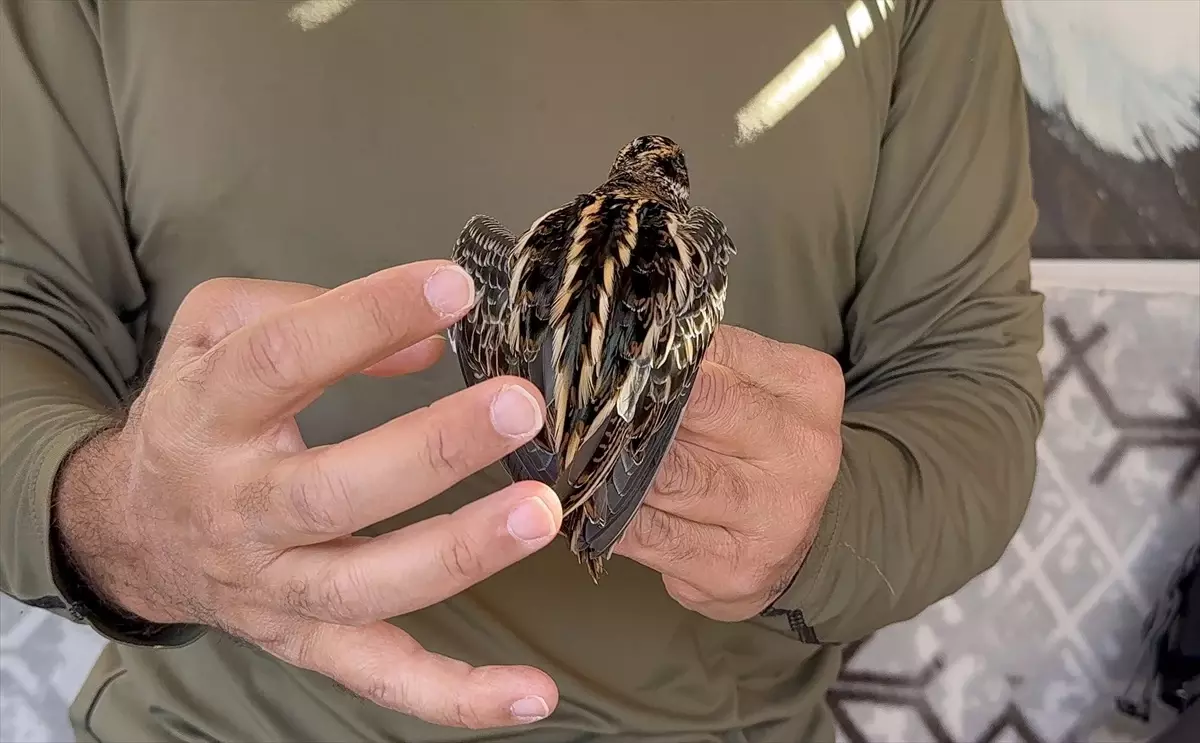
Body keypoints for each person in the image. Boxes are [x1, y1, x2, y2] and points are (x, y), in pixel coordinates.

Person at [0, 1, 1045, 741]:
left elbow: (967, 389)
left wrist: (816, 523)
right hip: (212, 726)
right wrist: (124, 519)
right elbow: (17, 320)